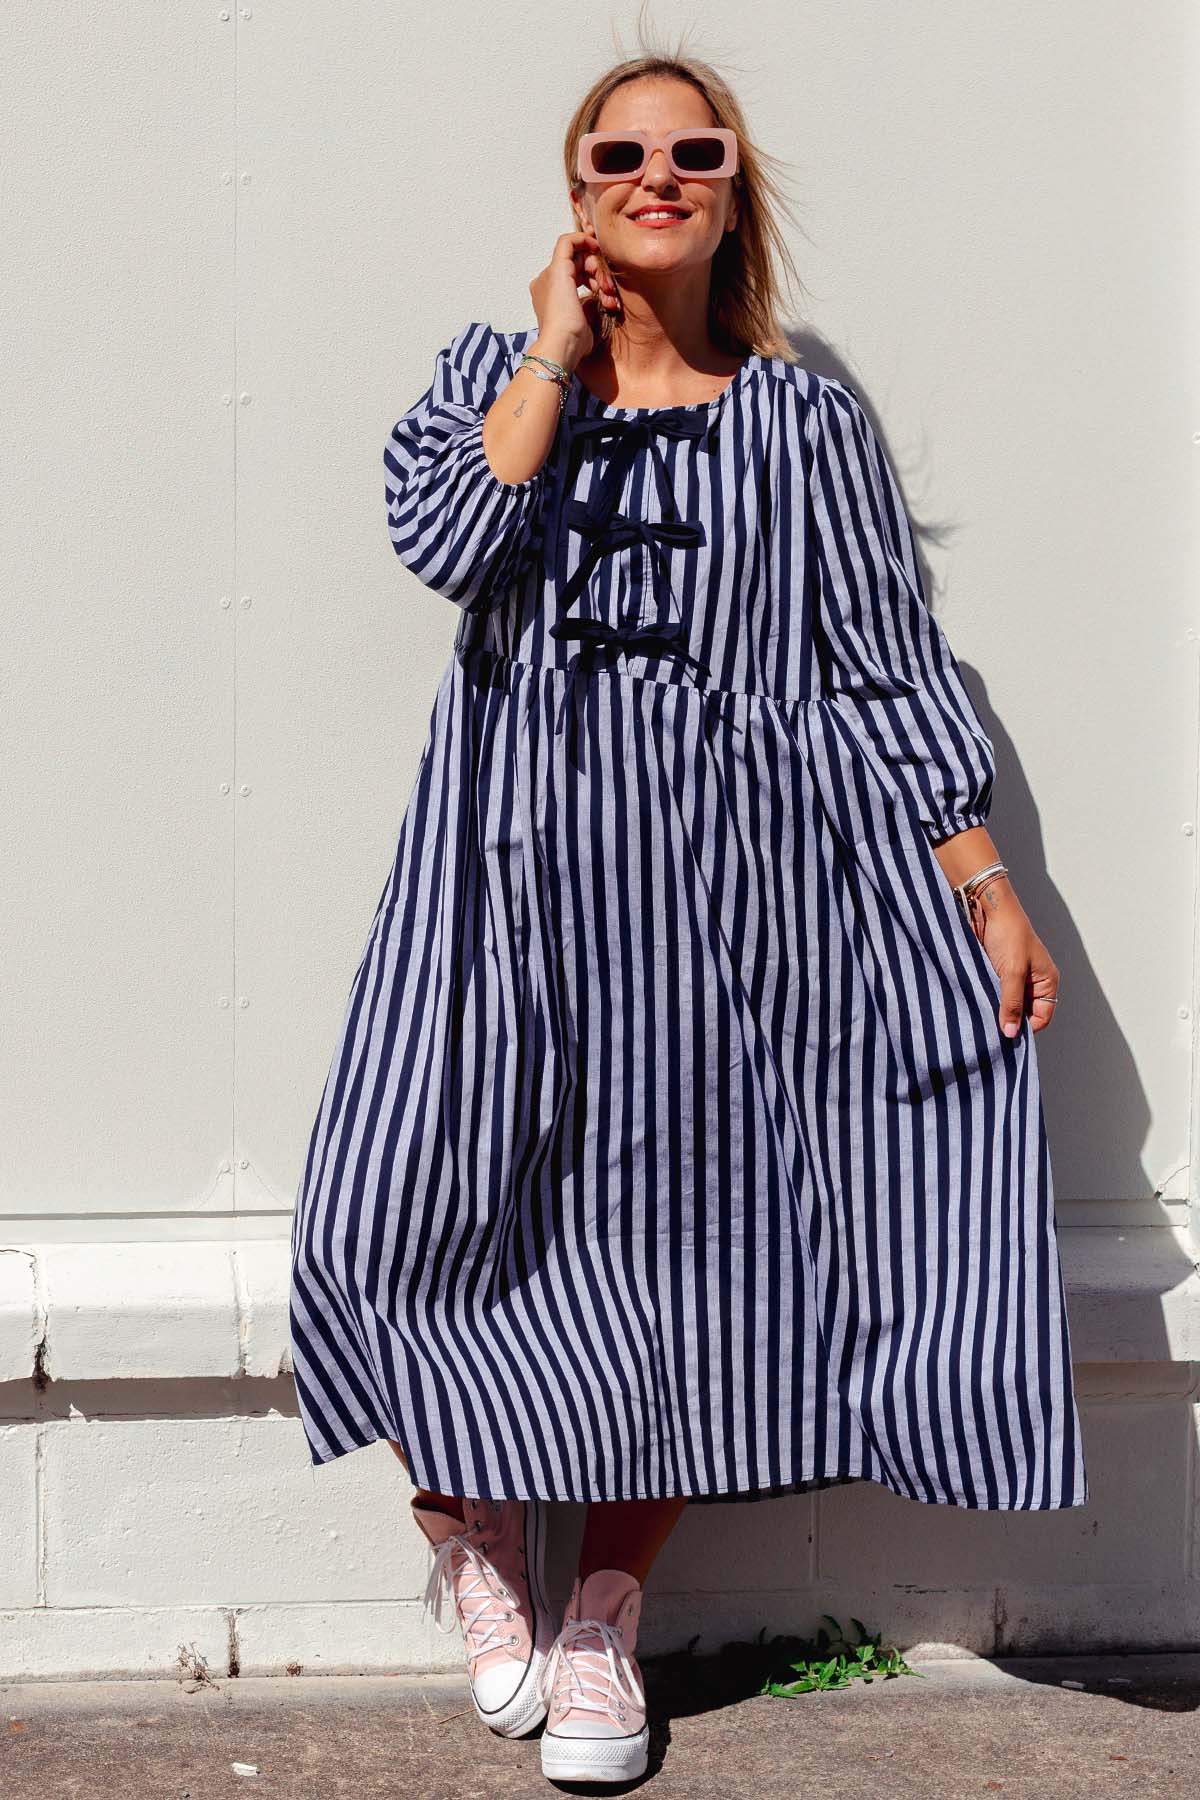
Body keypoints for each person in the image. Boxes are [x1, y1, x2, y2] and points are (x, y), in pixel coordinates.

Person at [289, 45, 1088, 1789]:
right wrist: (550, 355)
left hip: (735, 898)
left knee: (682, 1262)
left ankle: (602, 1619)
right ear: (577, 195)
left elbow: (881, 668)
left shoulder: (804, 424)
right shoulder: (494, 381)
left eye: (695, 151)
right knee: (398, 1208)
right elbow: (446, 540)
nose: (659, 173)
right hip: (507, 875)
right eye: (621, 153)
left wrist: (985, 887)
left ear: (736, 194)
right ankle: (474, 1533)